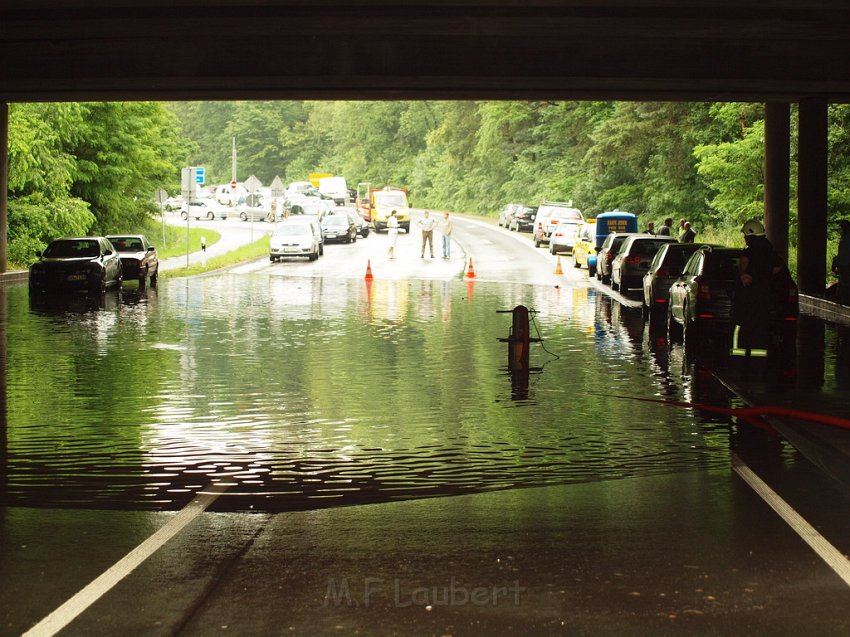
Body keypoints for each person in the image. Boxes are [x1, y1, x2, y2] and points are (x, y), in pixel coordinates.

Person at [733, 219, 785, 353]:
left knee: (740, 334)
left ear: (751, 235)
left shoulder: (749, 254)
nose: (744, 238)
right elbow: (778, 268)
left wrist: (743, 274)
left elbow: (744, 278)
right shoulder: (771, 253)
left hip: (747, 305)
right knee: (760, 336)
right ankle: (758, 365)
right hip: (764, 304)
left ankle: (739, 362)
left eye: (745, 235)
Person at [836, 219, 850, 304]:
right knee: (843, 280)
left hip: (847, 262)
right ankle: (842, 297)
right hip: (842, 262)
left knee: (846, 280)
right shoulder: (844, 237)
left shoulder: (847, 237)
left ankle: (845, 298)